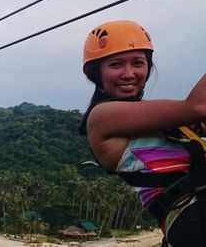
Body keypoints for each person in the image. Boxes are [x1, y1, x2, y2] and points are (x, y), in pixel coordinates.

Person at [80, 20, 206, 246]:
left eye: (138, 63)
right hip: (191, 217)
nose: (129, 73)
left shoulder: (177, 127)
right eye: (116, 64)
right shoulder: (102, 117)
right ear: (97, 73)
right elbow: (198, 106)